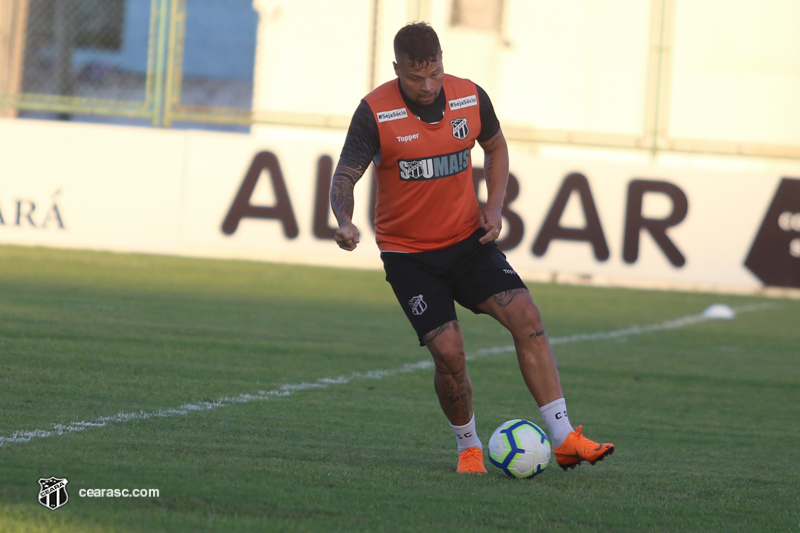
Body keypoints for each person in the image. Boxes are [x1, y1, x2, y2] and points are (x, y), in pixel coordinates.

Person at [329, 21, 614, 473]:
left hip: (468, 242)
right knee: (449, 353)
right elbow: (345, 174)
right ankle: (468, 448)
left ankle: (564, 438)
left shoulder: (470, 96)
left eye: (435, 74)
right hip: (410, 257)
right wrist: (344, 220)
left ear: (443, 62)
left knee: (527, 317)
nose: (427, 86)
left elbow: (496, 148)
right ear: (396, 69)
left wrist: (495, 207)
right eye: (414, 77)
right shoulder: (374, 111)